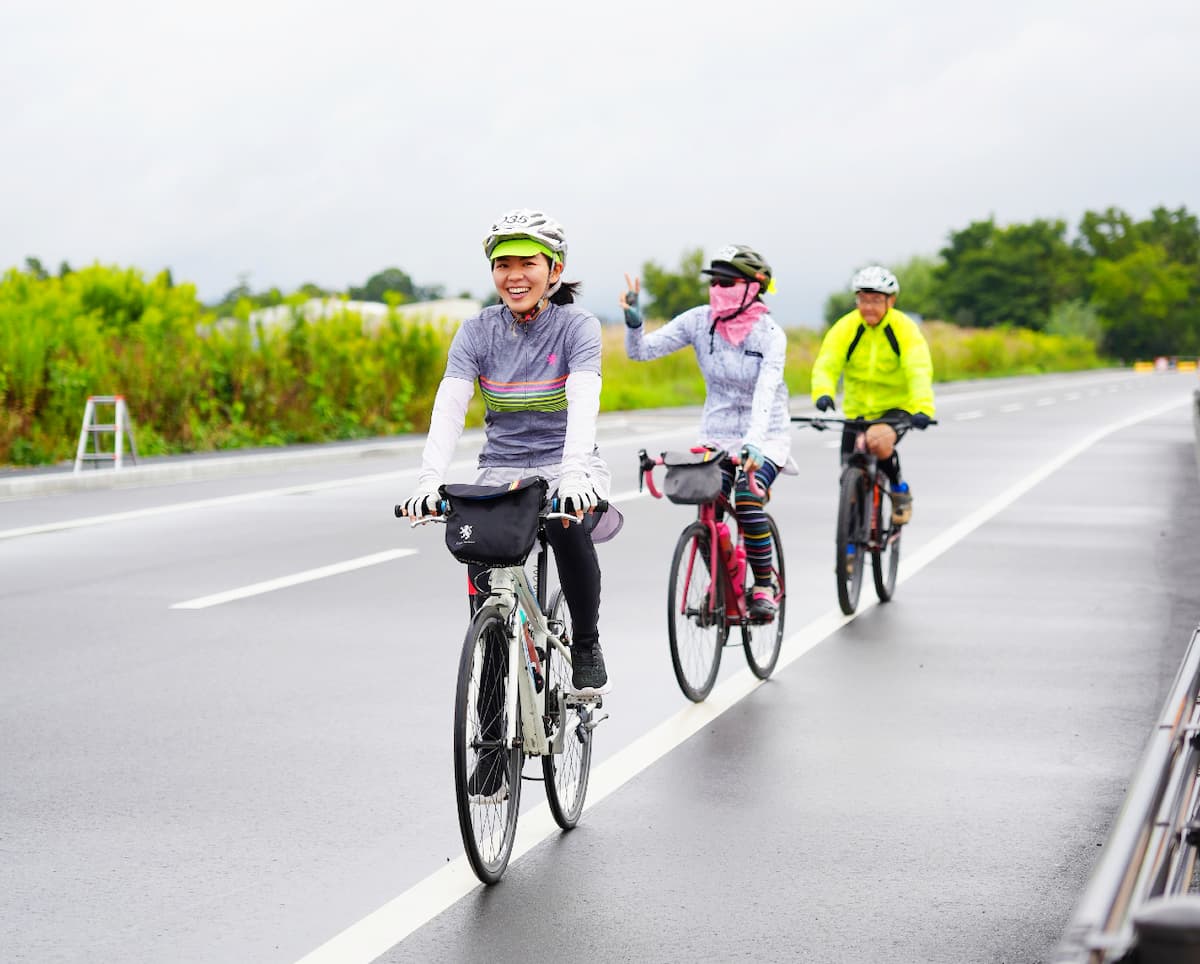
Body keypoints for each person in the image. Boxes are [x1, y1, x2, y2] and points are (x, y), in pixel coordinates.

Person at [400, 208, 612, 701]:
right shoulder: (476, 331)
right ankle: (493, 715)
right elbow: (450, 408)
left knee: (567, 524)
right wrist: (428, 482)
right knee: (484, 562)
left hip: (566, 461)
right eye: (502, 265)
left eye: (527, 264)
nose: (514, 276)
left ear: (554, 270)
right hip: (502, 467)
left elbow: (584, 402)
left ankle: (585, 643)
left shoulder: (578, 326)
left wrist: (575, 476)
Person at [620, 244, 790, 619]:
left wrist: (754, 444)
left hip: (766, 435)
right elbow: (641, 352)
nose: (717, 288)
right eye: (713, 281)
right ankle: (721, 579)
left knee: (746, 498)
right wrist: (634, 323)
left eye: (727, 282)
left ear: (754, 286)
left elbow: (766, 392)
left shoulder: (770, 335)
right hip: (716, 434)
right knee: (706, 506)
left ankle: (763, 583)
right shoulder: (699, 321)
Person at [810, 265, 935, 525]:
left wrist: (923, 408)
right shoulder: (846, 326)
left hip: (895, 407)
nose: (868, 307)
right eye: (863, 300)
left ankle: (899, 490)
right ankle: (850, 546)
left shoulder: (904, 329)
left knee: (877, 442)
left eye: (876, 300)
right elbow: (827, 363)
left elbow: (918, 368)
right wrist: (823, 393)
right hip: (858, 411)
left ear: (891, 301)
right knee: (848, 476)